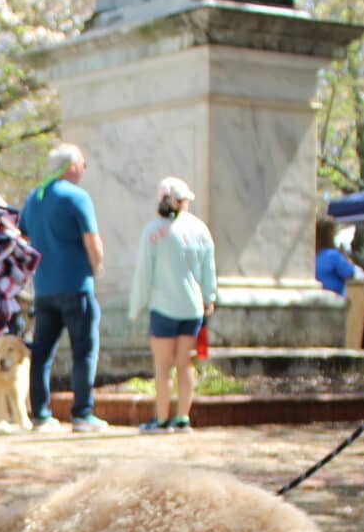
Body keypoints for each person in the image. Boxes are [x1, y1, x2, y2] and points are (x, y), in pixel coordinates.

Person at [18, 144, 106, 432]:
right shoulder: (77, 197)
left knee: (42, 354)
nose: (83, 169)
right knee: (84, 350)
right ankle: (82, 413)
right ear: (69, 167)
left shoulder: (34, 198)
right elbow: (92, 241)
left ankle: (40, 415)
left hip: (44, 288)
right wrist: (96, 269)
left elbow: (23, 238)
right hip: (76, 285)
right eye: (82, 164)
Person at [128, 176, 217, 433]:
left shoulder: (153, 232)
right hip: (192, 308)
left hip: (164, 307)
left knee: (162, 366)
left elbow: (144, 273)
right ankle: (182, 418)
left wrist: (136, 307)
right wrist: (209, 298)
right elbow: (208, 269)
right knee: (184, 363)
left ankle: (162, 418)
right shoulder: (199, 230)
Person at [314, 216, 357, 296]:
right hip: (333, 300)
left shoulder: (311, 256)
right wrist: (345, 257)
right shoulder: (333, 256)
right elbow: (349, 274)